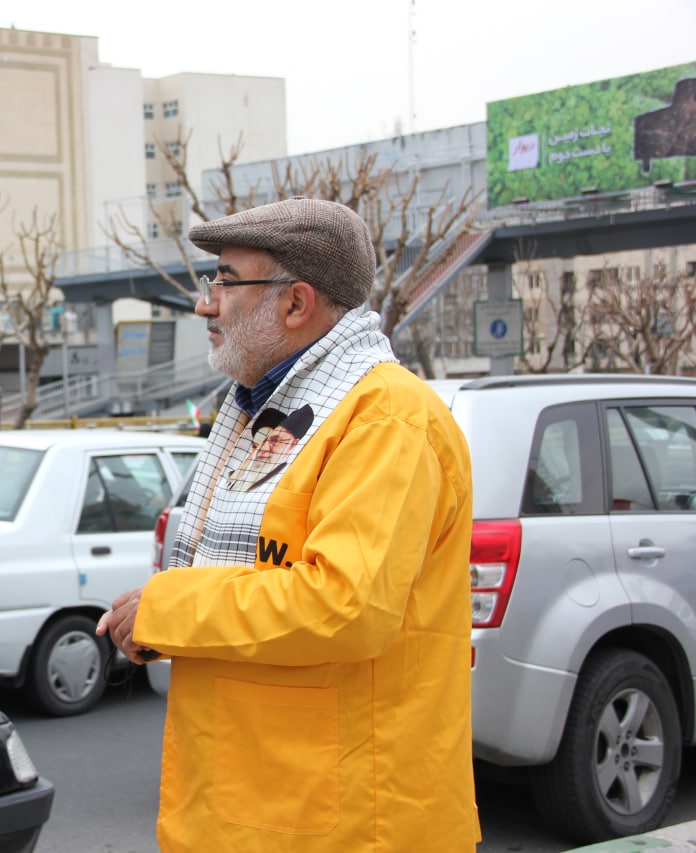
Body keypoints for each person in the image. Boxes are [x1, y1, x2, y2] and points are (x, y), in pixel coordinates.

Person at [96, 197, 478, 851]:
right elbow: (252, 572)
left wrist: (168, 608)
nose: (206, 305)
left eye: (225, 281)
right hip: (259, 807)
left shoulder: (385, 417)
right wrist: (161, 617)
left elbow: (345, 606)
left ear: (297, 303)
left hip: (347, 825)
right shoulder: (266, 410)